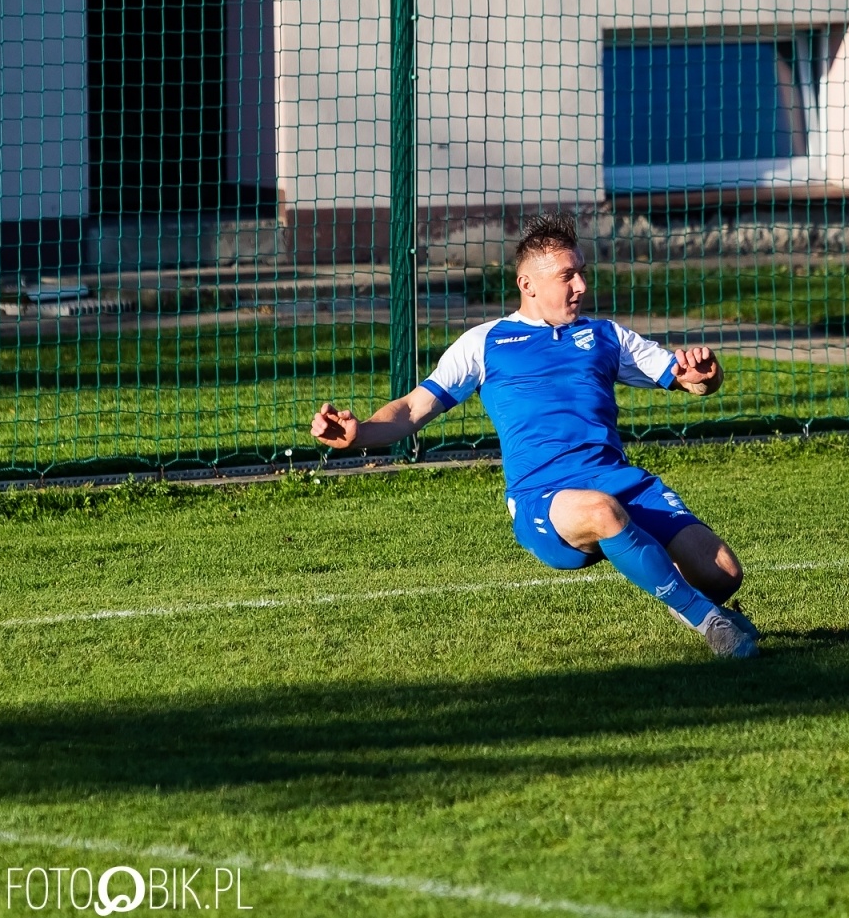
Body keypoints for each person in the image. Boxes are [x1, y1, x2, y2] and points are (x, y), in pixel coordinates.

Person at [308, 212, 759, 658]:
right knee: (601, 511)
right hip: (544, 495)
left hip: (620, 479)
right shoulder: (485, 342)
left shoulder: (606, 336)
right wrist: (359, 432)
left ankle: (687, 593)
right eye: (568, 276)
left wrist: (706, 374)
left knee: (723, 574)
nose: (581, 285)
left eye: (581, 273)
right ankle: (711, 623)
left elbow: (686, 378)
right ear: (529, 285)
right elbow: (411, 409)